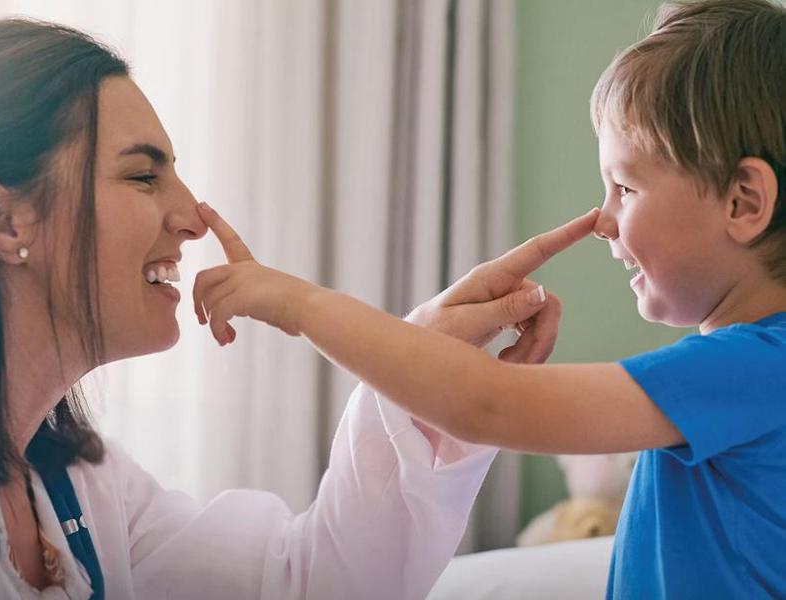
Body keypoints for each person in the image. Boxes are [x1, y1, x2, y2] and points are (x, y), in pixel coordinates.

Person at [0, 18, 586, 600]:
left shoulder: (84, 486)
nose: (193, 217)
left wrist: (426, 368)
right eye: (141, 175)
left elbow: (305, 586)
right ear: (2, 220)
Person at [192, 0, 786, 597]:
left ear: (743, 202)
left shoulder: (755, 368)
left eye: (625, 187)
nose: (604, 220)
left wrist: (302, 306)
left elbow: (488, 406)